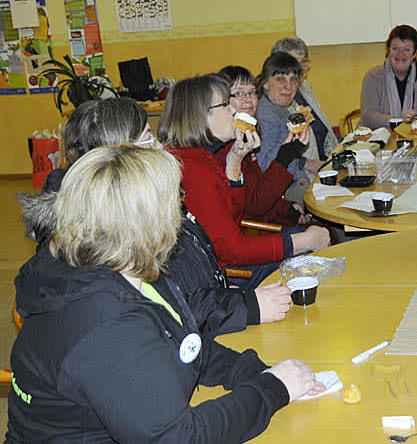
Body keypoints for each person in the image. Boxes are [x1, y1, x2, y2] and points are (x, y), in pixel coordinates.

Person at [7, 145, 324, 442]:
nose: (182, 209)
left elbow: (184, 343)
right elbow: (180, 437)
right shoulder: (106, 325)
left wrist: (255, 372)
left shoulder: (126, 266)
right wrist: (272, 390)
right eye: (177, 198)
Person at [17, 98, 292, 334]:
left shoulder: (144, 201)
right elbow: (166, 314)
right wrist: (247, 306)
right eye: (150, 138)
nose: (162, 147)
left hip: (215, 314)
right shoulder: (119, 233)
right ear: (121, 157)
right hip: (194, 342)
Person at [159, 74, 330, 290]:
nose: (233, 110)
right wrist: (305, 242)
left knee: (310, 240)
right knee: (313, 250)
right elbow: (233, 249)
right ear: (200, 115)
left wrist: (235, 160)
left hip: (229, 259)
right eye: (225, 104)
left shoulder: (201, 155)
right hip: (221, 276)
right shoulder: (191, 168)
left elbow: (234, 215)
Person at [217, 65, 312, 227]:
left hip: (268, 216)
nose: (248, 99)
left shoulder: (245, 134)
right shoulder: (225, 148)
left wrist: (286, 208)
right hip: (254, 232)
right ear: (222, 101)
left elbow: (255, 189)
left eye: (252, 92)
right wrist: (286, 155)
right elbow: (255, 206)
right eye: (239, 93)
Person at [255, 52, 322, 205]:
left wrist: (301, 177)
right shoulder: (266, 116)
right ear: (265, 83)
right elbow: (265, 166)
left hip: (290, 182)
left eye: (293, 80)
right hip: (276, 194)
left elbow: (291, 157)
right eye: (280, 79)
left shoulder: (282, 111)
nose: (288, 86)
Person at [271, 36, 341, 159]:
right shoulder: (276, 100)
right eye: (295, 63)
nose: (301, 68)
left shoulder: (305, 88)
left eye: (304, 62)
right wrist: (310, 165)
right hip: (304, 173)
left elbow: (324, 129)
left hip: (327, 159)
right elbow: (279, 153)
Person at [359, 24, 417, 129]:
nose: (400, 54)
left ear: (415, 53)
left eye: (407, 49)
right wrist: (398, 121)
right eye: (395, 48)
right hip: (378, 139)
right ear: (388, 50)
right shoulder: (372, 76)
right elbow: (368, 116)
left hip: (415, 137)